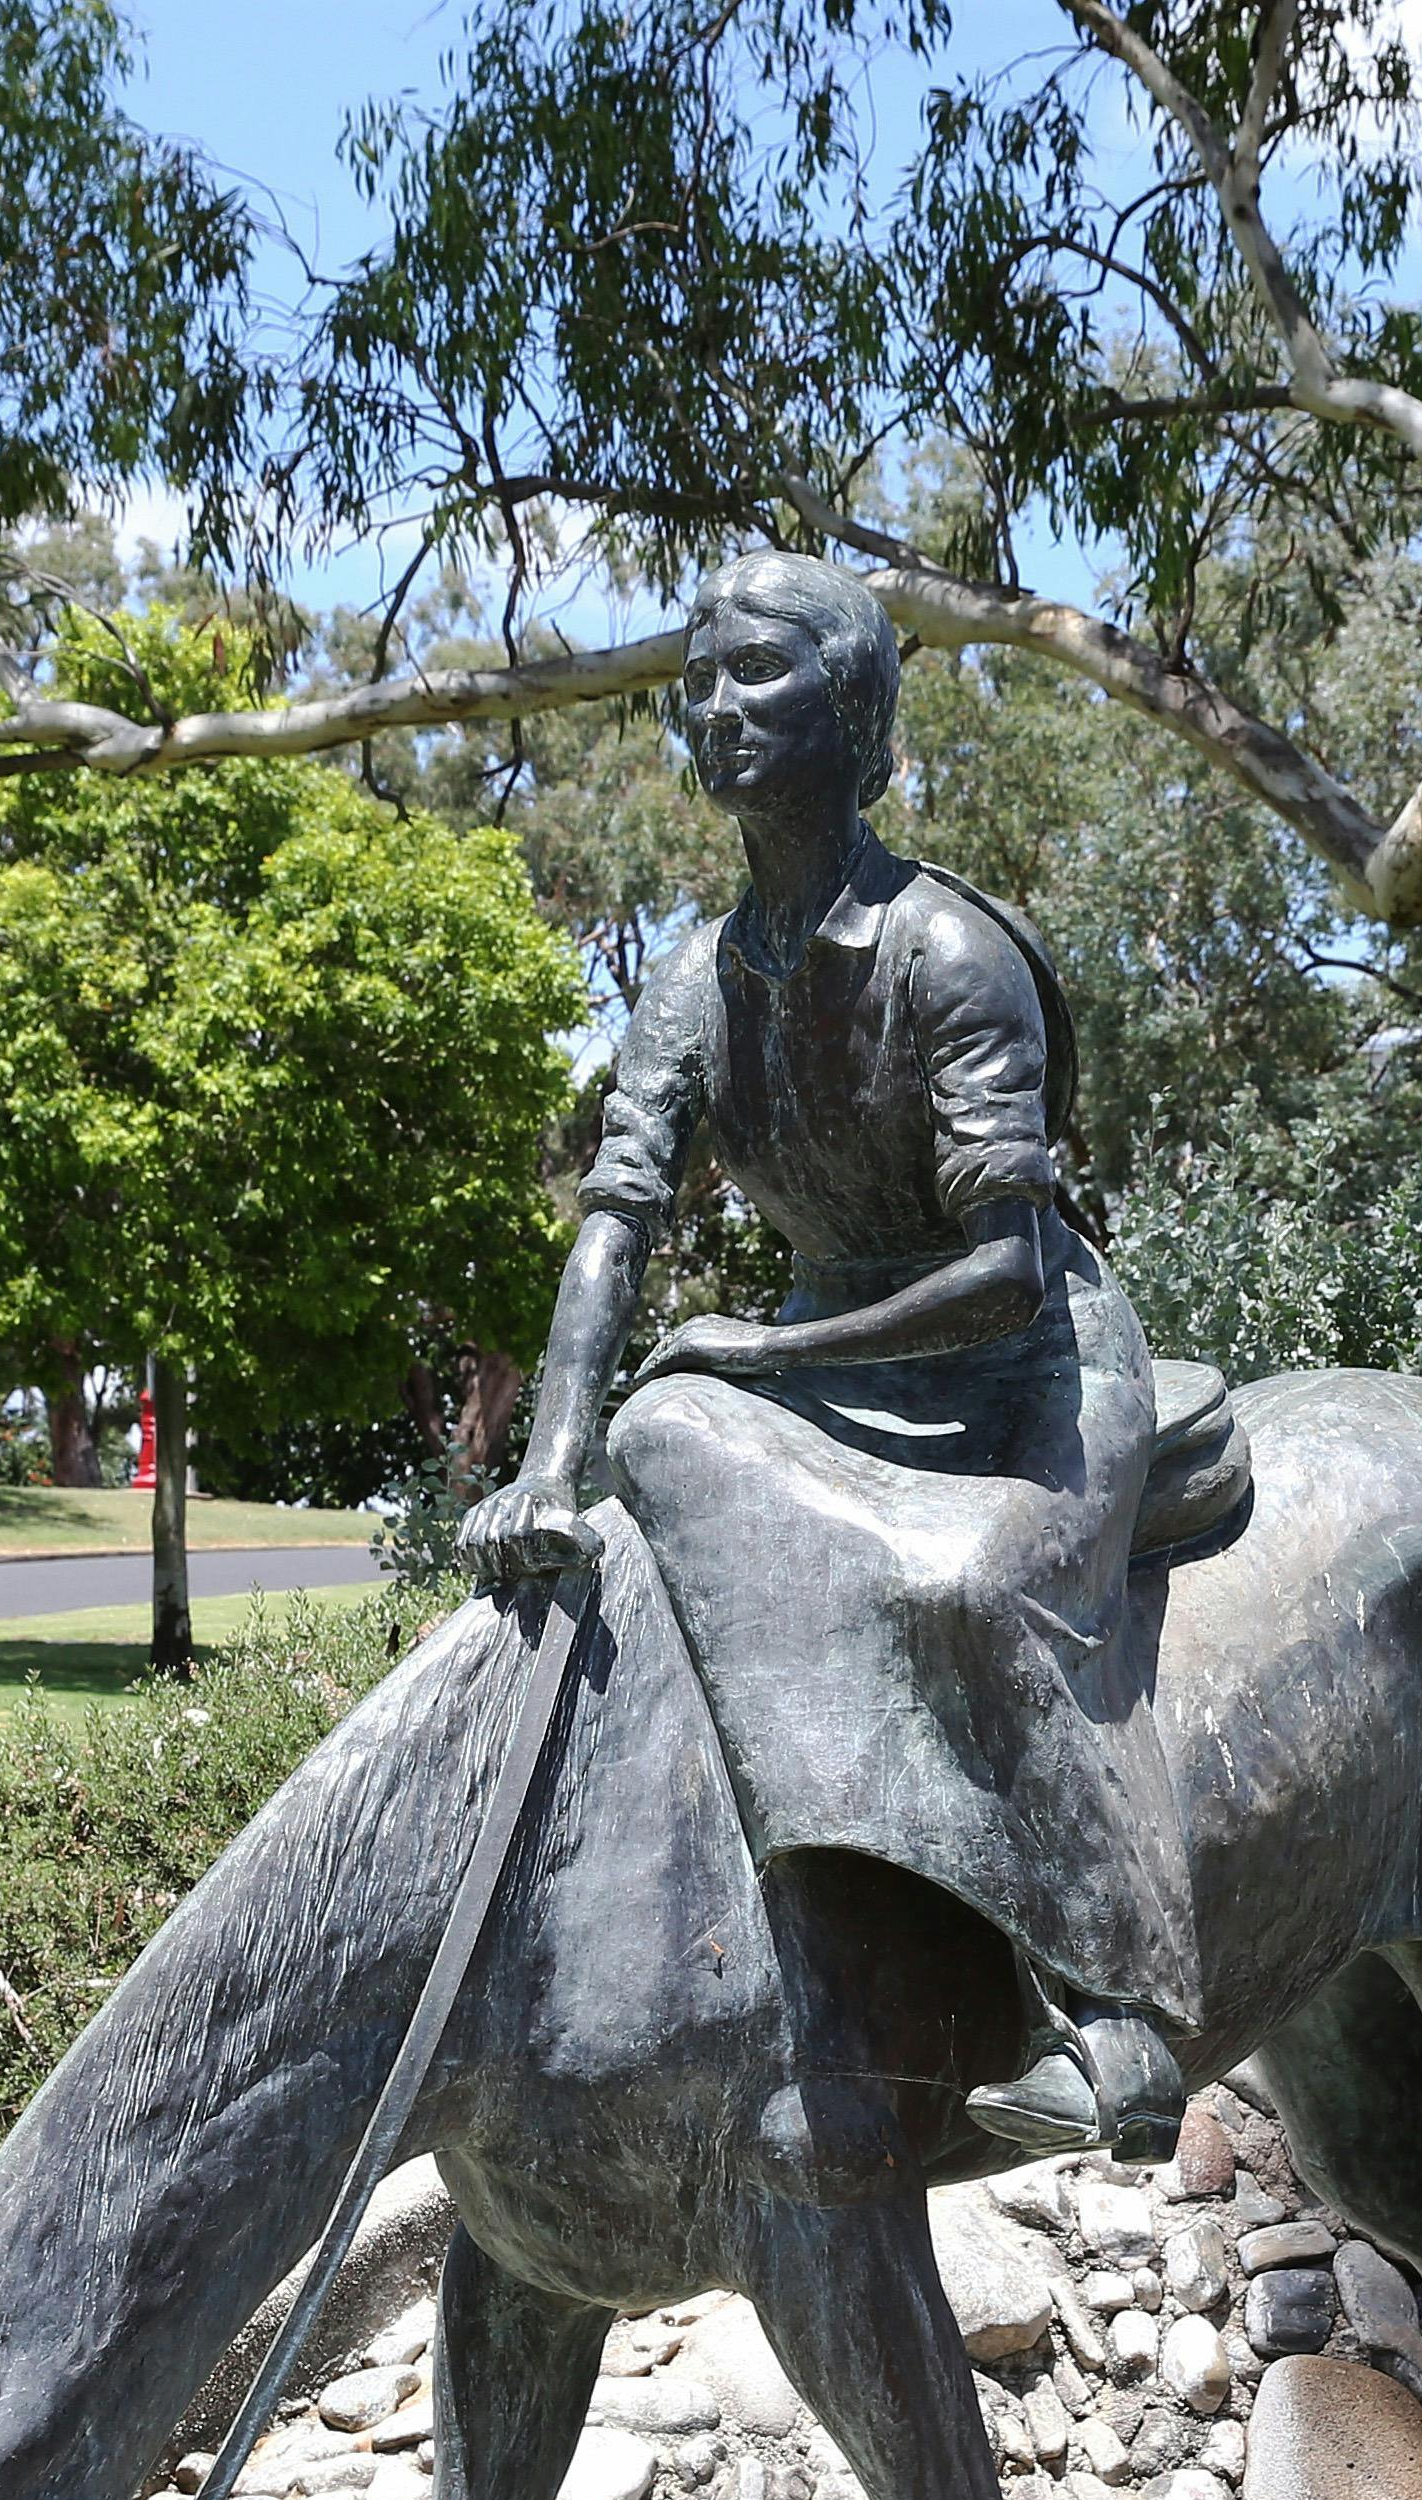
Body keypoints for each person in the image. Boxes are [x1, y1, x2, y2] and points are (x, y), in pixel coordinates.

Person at [459, 552, 1195, 2162]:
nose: (713, 711)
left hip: (1029, 1360)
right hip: (834, 1357)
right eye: (698, 681)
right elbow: (614, 1222)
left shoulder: (949, 953)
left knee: (963, 1594)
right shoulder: (689, 980)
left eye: (758, 676)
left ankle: (1122, 2018)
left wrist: (762, 1351)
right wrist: (545, 1464)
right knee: (661, 1480)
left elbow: (1004, 1271)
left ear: (853, 709)